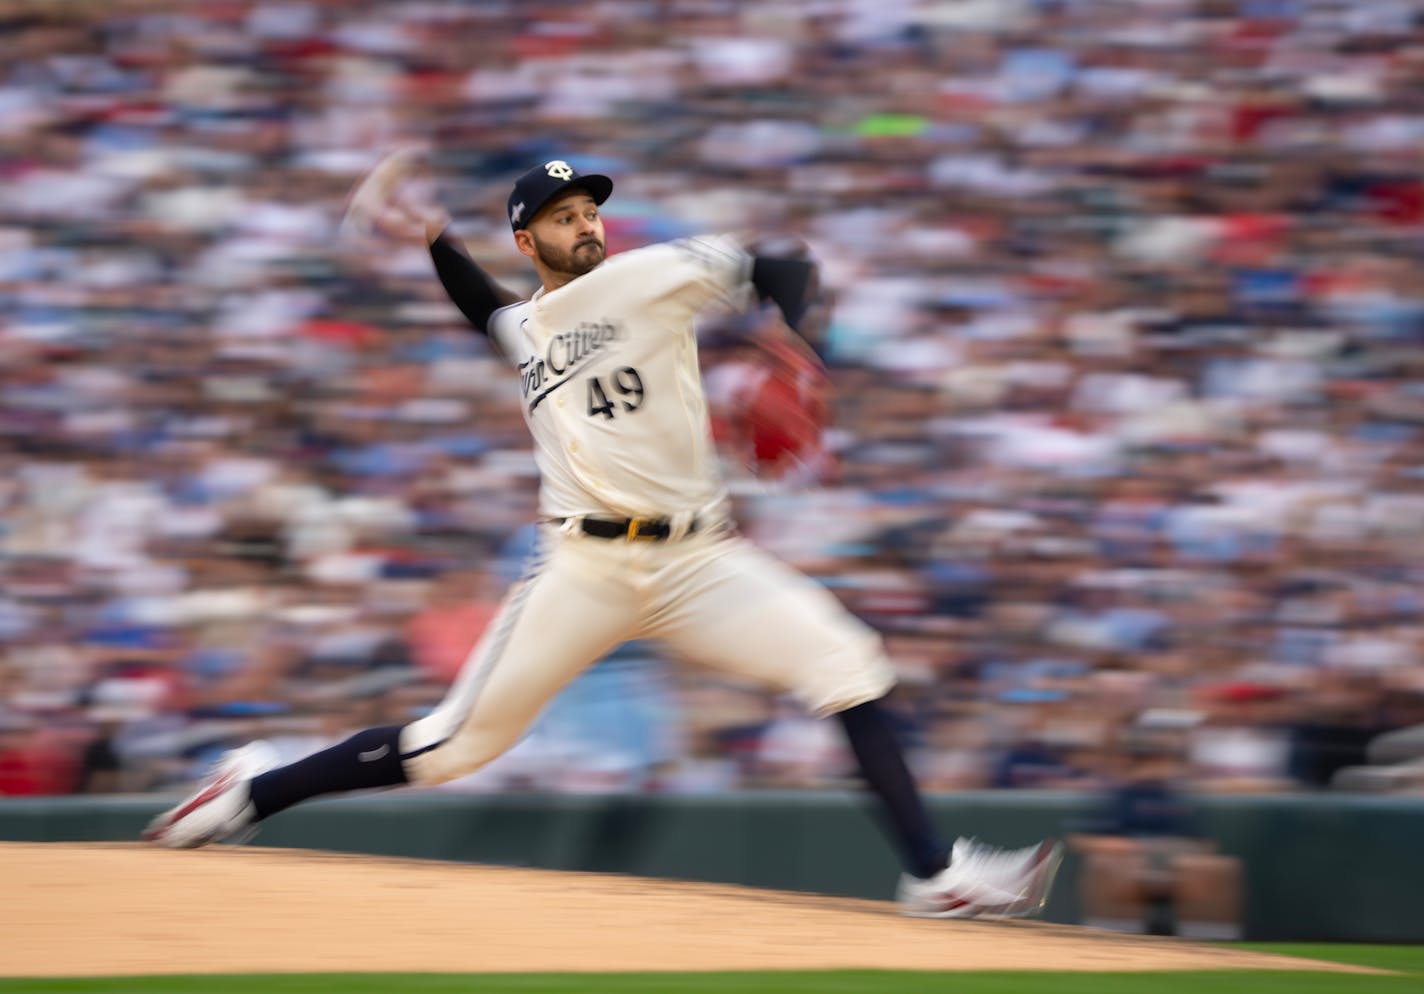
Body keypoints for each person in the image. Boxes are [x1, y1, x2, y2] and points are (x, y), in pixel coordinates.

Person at [143, 151, 1063, 918]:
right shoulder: (527, 327)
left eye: (589, 210)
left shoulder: (651, 273)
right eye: (561, 215)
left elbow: (780, 263)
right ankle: (252, 789)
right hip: (582, 569)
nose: (584, 224)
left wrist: (801, 344)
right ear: (527, 239)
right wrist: (433, 240)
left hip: (700, 559)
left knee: (850, 663)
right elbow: (485, 311)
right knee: (450, 748)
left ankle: (934, 874)